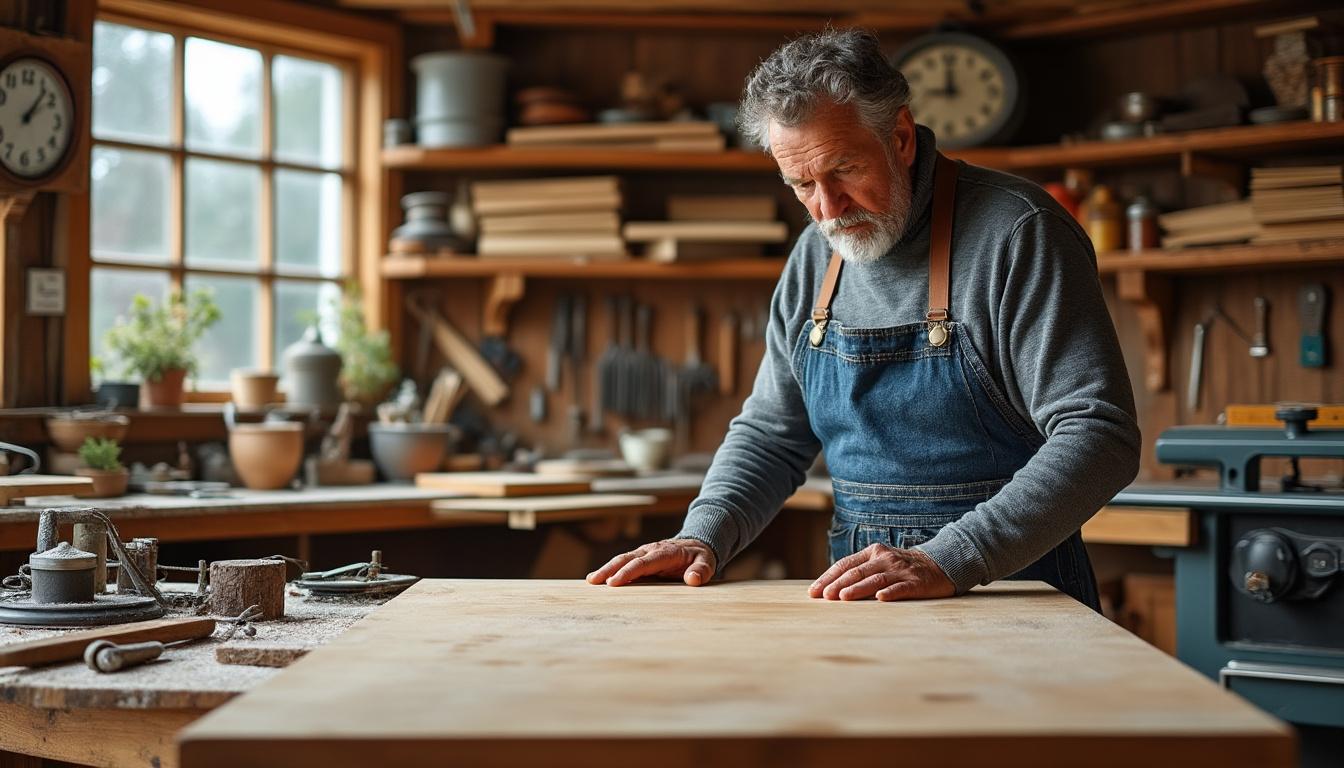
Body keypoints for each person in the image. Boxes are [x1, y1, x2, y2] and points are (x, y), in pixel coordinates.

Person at [587, 28, 1140, 608]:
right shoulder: (815, 256)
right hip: (864, 601)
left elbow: (1099, 434)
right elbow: (772, 435)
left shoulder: (1019, 233)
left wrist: (949, 557)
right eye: (802, 184)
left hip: (1015, 592)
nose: (827, 209)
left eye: (842, 170)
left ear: (899, 136)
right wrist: (703, 534)